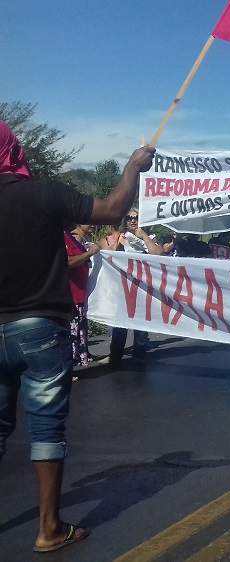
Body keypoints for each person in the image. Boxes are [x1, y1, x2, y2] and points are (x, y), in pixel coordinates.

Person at [0, 120, 154, 552]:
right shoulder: (44, 194)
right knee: (46, 427)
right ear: (14, 149)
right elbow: (110, 210)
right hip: (41, 328)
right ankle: (49, 529)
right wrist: (132, 168)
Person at [107, 209, 162, 364]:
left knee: (141, 321)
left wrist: (143, 236)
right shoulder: (121, 237)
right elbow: (108, 255)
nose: (132, 220)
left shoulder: (150, 237)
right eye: (129, 217)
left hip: (142, 287)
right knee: (119, 322)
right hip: (122, 286)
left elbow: (158, 254)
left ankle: (139, 354)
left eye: (136, 217)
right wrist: (118, 242)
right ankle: (115, 355)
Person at [64, 223, 102, 369]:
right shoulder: (69, 238)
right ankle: (70, 367)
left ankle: (79, 359)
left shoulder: (78, 239)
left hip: (80, 293)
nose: (92, 224)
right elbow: (69, 262)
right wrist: (89, 253)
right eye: (88, 221)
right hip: (72, 293)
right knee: (72, 332)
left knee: (79, 329)